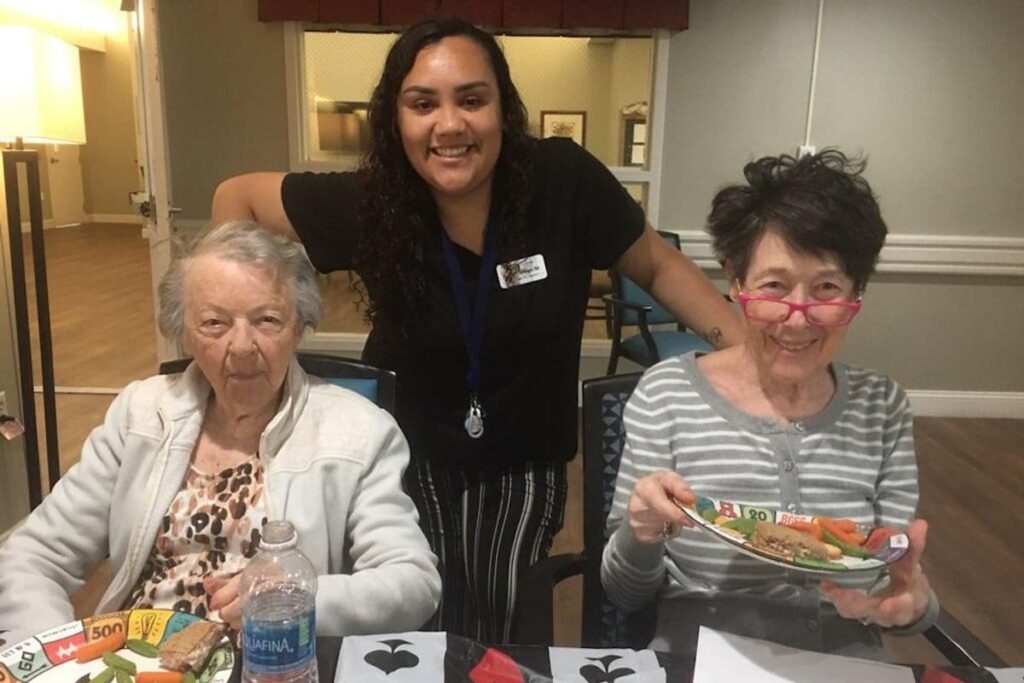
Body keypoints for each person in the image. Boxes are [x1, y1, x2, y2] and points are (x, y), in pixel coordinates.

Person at [211, 18, 743, 642]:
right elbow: (236, 197)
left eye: (471, 99)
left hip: (525, 457)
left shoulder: (561, 180)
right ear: (396, 119)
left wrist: (743, 348)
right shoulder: (374, 199)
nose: (449, 125)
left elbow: (653, 261)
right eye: (422, 104)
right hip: (405, 455)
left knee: (497, 622)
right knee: (414, 620)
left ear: (502, 107)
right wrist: (238, 324)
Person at [0, 222, 441, 645]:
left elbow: (412, 581)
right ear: (183, 333)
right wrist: (56, 657)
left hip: (275, 664)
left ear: (299, 327)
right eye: (215, 322)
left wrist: (302, 595)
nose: (243, 345)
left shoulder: (359, 431)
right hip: (138, 661)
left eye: (267, 320)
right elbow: (32, 556)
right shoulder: (141, 414)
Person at [600, 150, 938, 659]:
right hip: (699, 658)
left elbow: (894, 586)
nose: (797, 320)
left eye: (826, 288)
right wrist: (640, 531)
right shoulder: (666, 395)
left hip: (843, 664)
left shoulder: (881, 407)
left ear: (856, 293)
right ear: (736, 283)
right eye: (774, 287)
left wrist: (913, 604)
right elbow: (624, 592)